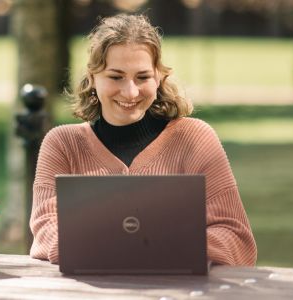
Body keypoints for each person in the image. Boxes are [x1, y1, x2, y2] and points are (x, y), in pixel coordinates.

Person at [29, 14, 257, 266]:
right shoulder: (62, 144)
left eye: (143, 77)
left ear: (158, 77)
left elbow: (235, 237)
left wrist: (141, 246)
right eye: (116, 77)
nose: (130, 92)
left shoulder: (195, 139)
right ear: (93, 78)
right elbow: (46, 231)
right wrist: (146, 246)